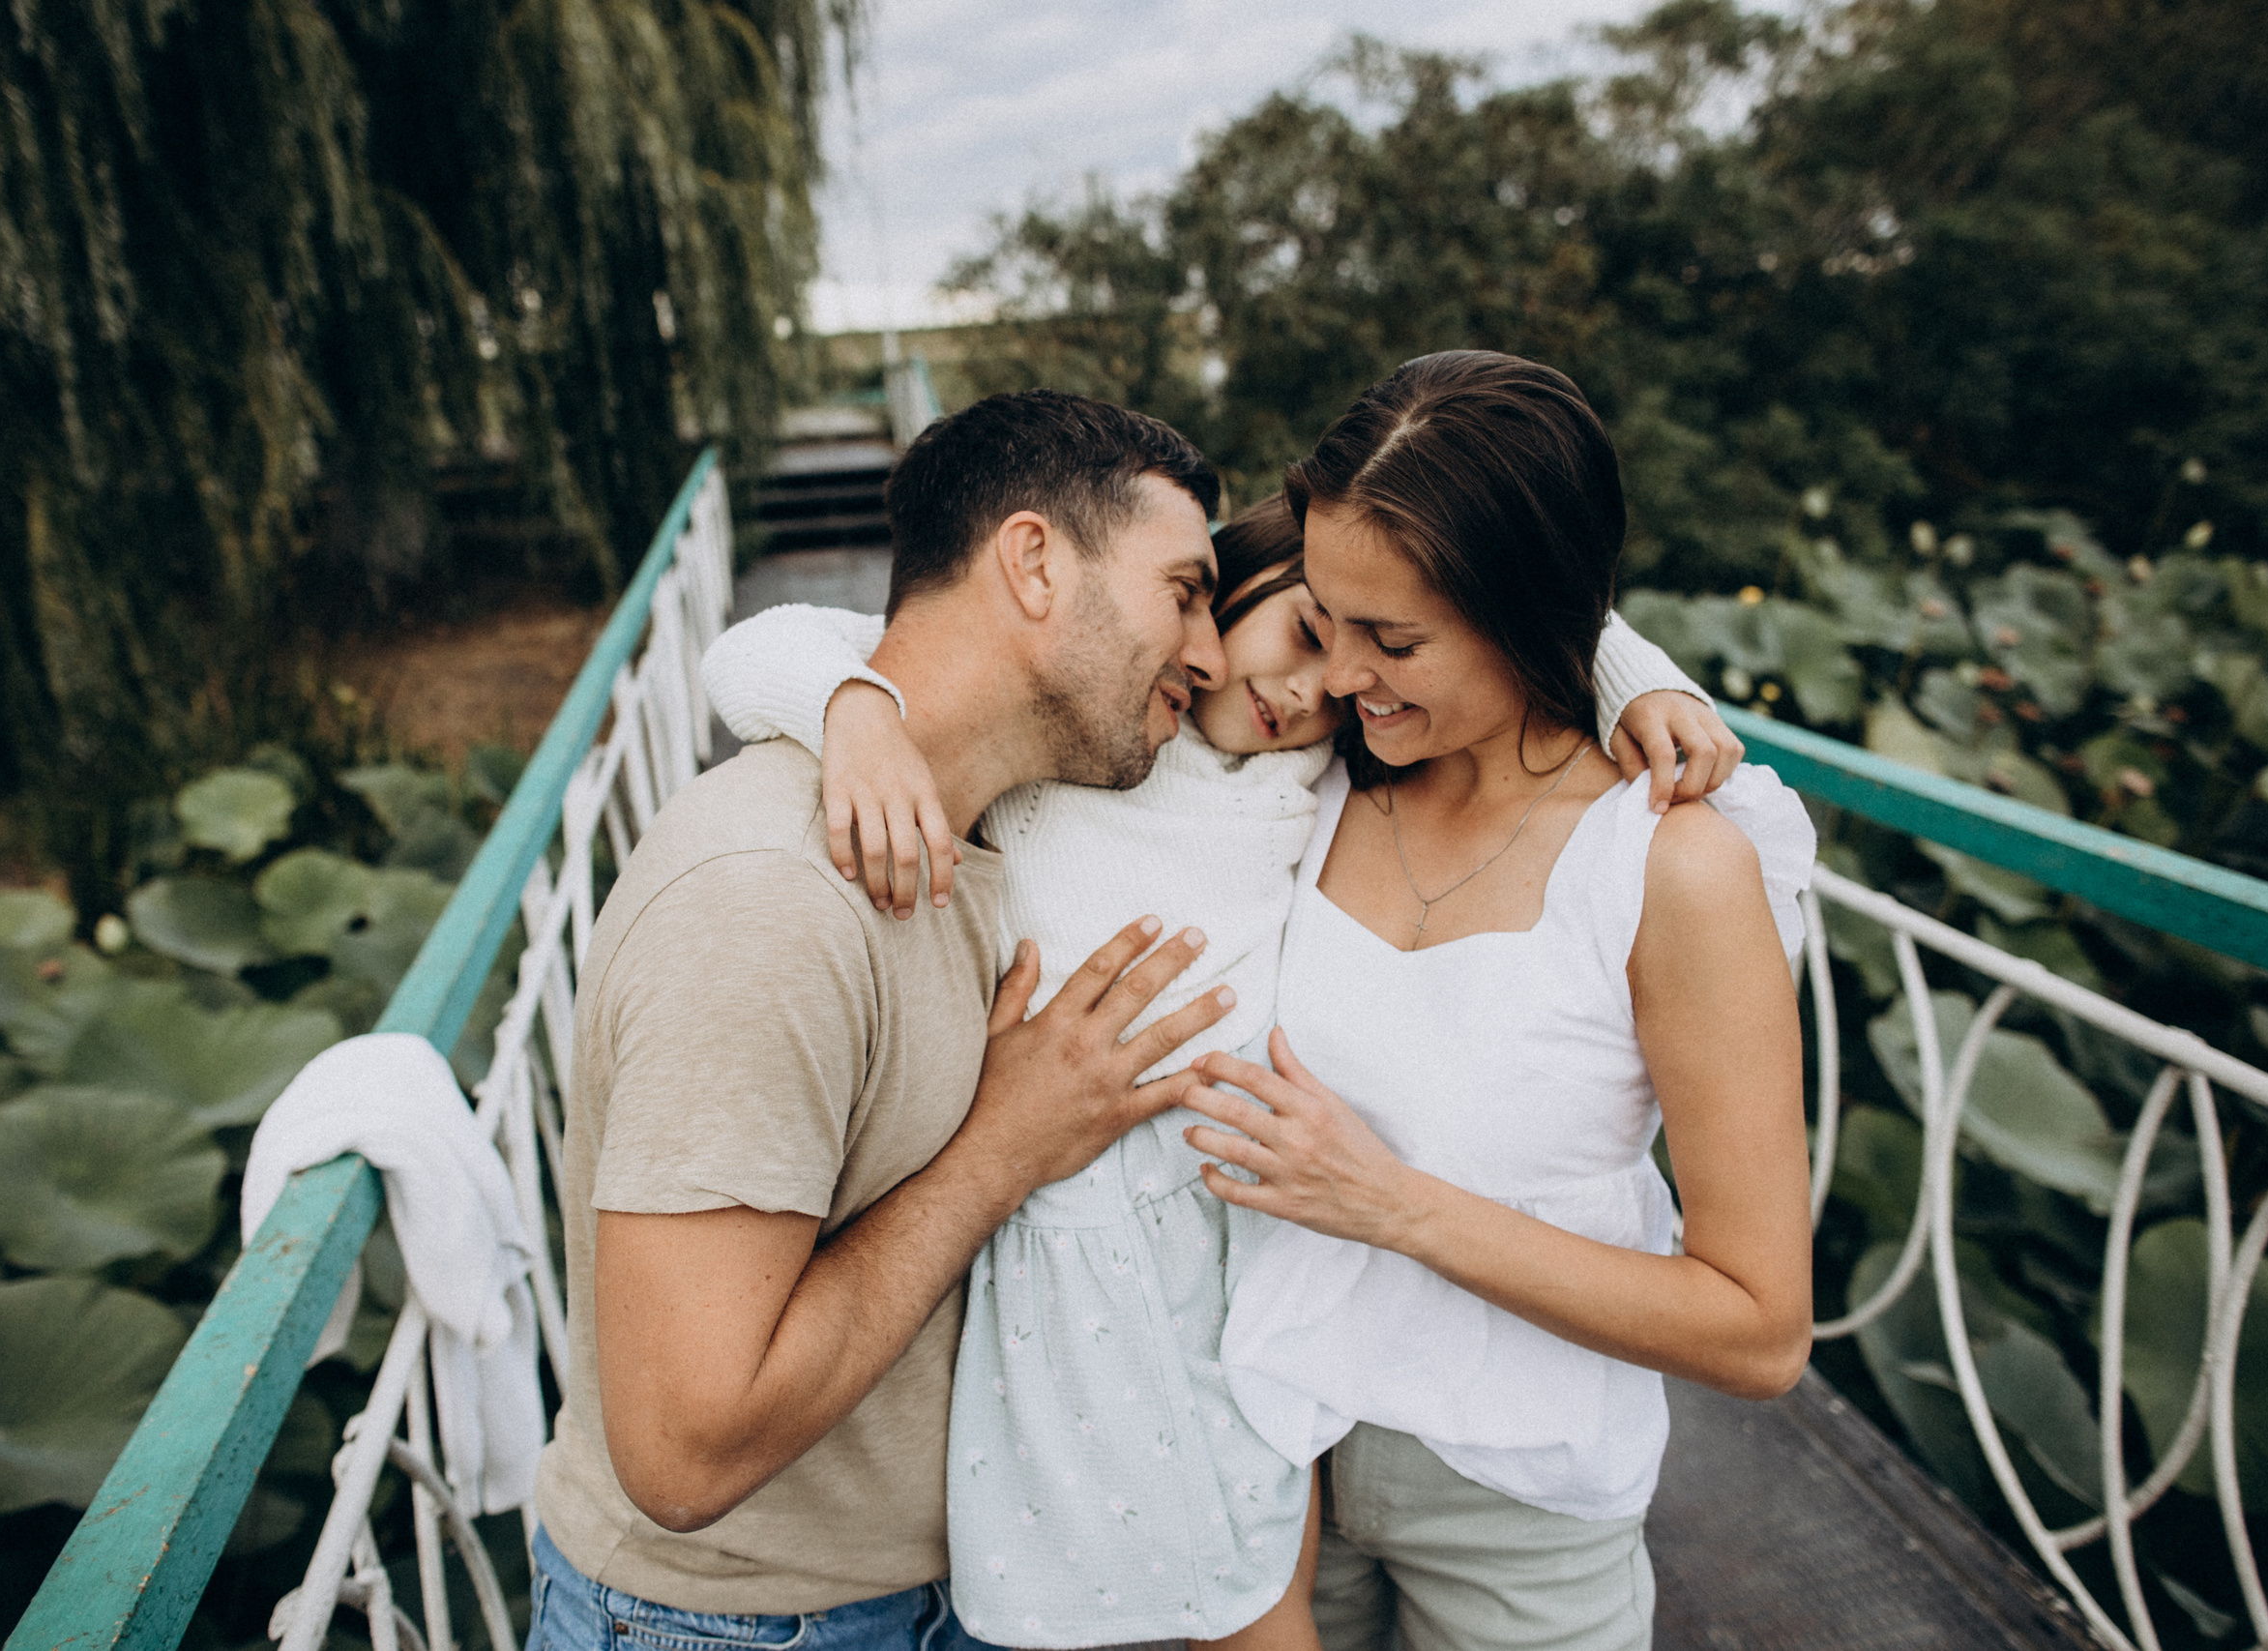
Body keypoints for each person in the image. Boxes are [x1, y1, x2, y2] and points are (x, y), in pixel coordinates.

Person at [698, 492, 1743, 1650]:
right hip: (1066, 1247)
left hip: (1242, 1260)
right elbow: (757, 644)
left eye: (1349, 678)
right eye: (1302, 633)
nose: (1313, 690)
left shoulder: (1320, 789)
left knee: (1249, 1598)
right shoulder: (1081, 742)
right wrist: (856, 715)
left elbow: (1482, 620)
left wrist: (1639, 678)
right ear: (1224, 587)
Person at [528, 389, 1252, 1651]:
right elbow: (682, 1450)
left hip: (939, 1589)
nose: (1216, 653)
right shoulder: (771, 900)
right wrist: (1003, 1149)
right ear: (1033, 561)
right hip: (735, 1624)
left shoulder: (1004, 823)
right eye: (1185, 590)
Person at [1181, 351, 1816, 1651]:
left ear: (1530, 615)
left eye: (1395, 639)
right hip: (1267, 1460)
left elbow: (1760, 1328)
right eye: (1325, 615)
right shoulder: (1309, 780)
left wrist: (1391, 1204)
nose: (1343, 677)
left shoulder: (1674, 867)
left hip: (1518, 1500)